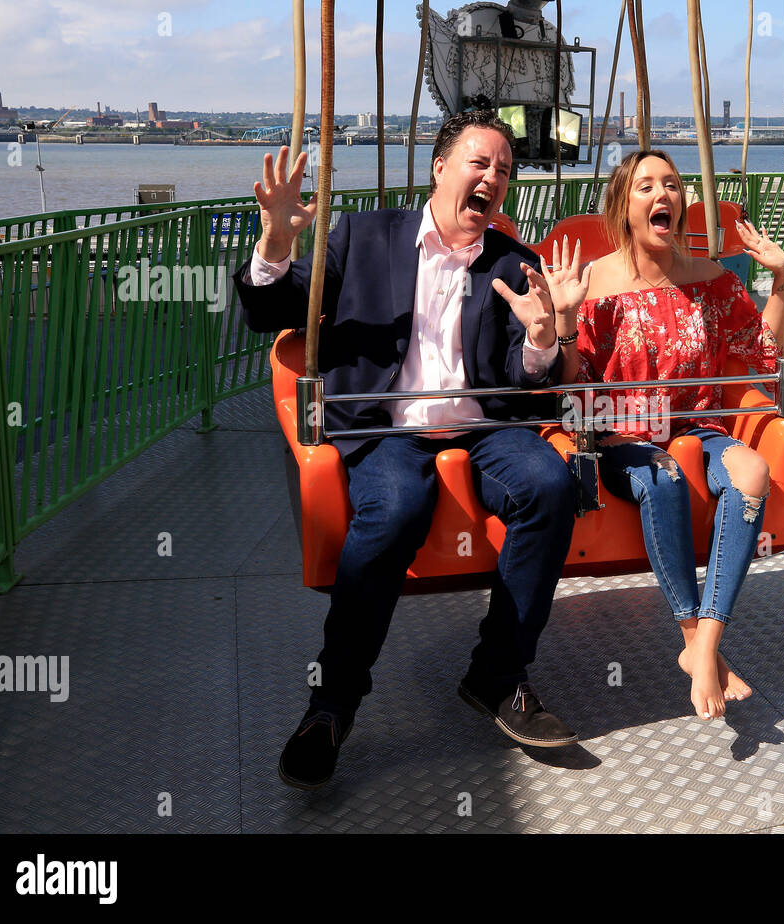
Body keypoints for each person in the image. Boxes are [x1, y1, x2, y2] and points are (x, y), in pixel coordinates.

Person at [235, 111, 580, 791]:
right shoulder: (365, 236)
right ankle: (332, 704)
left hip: (484, 426)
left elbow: (526, 377)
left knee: (549, 483)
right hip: (387, 424)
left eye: (505, 171)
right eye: (480, 163)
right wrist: (275, 244)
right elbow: (275, 312)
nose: (493, 179)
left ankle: (497, 675)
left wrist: (544, 341)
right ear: (440, 168)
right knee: (394, 509)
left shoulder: (515, 262)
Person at [542, 149, 784, 722]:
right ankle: (692, 635)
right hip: (621, 435)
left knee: (752, 471)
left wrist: (780, 278)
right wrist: (566, 321)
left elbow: (758, 360)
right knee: (665, 474)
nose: (663, 195)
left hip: (695, 427)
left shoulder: (711, 278)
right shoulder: (593, 283)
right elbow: (569, 391)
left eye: (672, 186)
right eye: (646, 186)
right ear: (624, 206)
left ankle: (704, 644)